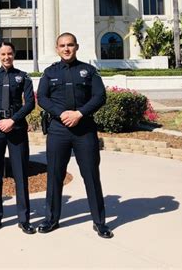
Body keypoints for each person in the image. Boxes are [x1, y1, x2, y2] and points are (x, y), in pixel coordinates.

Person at [36, 32, 113, 239]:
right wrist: (61, 113)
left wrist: (79, 113)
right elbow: (42, 97)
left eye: (70, 45)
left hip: (84, 130)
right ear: (57, 48)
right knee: (54, 175)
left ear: (76, 47)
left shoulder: (88, 71)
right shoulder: (50, 73)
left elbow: (100, 96)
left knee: (91, 176)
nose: (66, 48)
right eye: (62, 45)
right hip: (58, 130)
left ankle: (100, 222)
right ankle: (51, 219)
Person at [0, 41, 35, 234]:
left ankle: (24, 218)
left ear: (14, 55)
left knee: (20, 173)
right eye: (3, 54)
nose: (6, 57)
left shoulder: (23, 77)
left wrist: (12, 120)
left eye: (9, 54)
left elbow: (29, 103)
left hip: (16, 127)